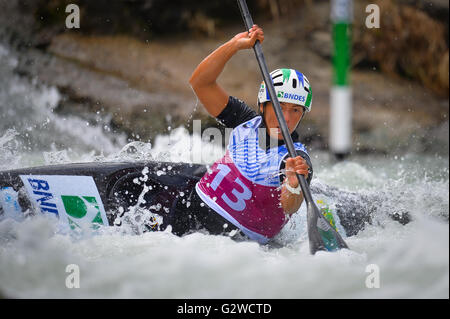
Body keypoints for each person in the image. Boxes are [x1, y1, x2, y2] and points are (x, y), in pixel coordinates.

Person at [166, 24, 314, 244]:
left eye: (295, 110)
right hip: (188, 211)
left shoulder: (295, 159)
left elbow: (289, 205)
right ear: (263, 105)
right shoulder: (246, 120)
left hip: (233, 242)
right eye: (279, 107)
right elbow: (200, 83)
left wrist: (293, 184)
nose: (287, 118)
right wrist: (234, 45)